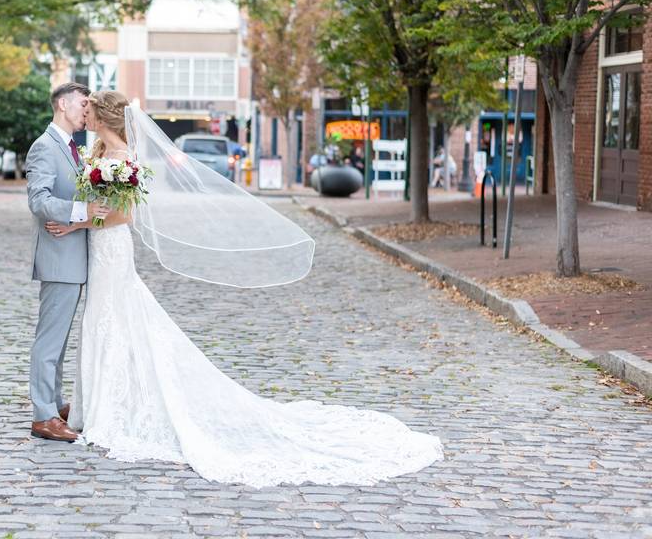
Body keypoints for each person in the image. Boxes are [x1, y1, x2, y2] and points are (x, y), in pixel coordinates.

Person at [42, 91, 443, 488]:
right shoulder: (95, 152)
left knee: (114, 319)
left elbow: (124, 215)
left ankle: (112, 410)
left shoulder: (123, 159)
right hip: (97, 251)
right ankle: (99, 405)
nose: (86, 114)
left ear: (106, 116)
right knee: (105, 322)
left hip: (111, 250)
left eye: (91, 109)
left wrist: (78, 224)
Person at [24, 82, 109, 443]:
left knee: (58, 341)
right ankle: (43, 415)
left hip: (74, 257)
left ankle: (55, 403)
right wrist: (81, 211)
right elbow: (38, 200)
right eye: (82, 104)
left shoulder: (73, 148)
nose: (86, 111)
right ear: (62, 104)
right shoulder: (44, 146)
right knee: (49, 340)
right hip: (59, 257)